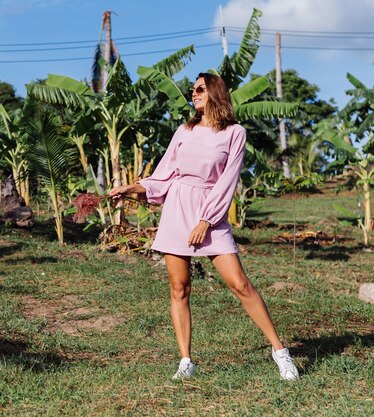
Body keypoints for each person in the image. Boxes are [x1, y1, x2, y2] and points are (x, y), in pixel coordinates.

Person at [109, 73, 299, 381]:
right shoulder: (184, 130)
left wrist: (206, 220)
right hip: (177, 209)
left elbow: (228, 181)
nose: (193, 94)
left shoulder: (234, 133)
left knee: (240, 284)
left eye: (199, 89)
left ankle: (280, 353)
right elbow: (166, 173)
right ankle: (186, 361)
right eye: (192, 90)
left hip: (210, 211)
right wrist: (131, 188)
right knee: (179, 287)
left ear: (214, 92)